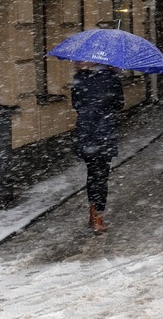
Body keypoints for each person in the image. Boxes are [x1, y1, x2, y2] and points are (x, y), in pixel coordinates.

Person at [70, 61, 125, 234]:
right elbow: (119, 104)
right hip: (104, 132)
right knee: (101, 176)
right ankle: (98, 216)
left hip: (86, 132)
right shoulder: (112, 78)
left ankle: (93, 212)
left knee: (92, 174)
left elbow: (76, 105)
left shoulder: (79, 78)